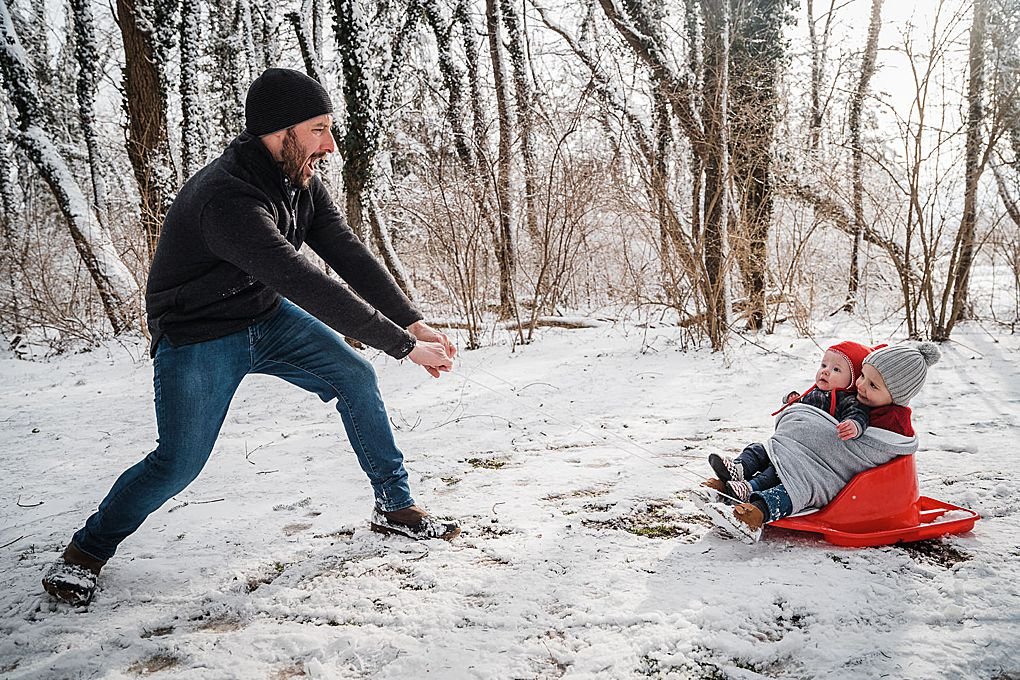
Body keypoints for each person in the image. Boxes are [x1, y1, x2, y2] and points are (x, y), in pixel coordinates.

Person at [42, 68, 460, 607]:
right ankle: (84, 554)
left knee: (356, 377)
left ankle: (396, 508)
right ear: (278, 130)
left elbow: (344, 250)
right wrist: (403, 347)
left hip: (266, 318)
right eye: (318, 129)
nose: (330, 144)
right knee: (178, 462)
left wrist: (411, 321)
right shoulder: (227, 198)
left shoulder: (299, 178)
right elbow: (302, 279)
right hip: (199, 338)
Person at [721, 342, 941, 536]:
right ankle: (738, 481)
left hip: (836, 480)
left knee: (801, 484)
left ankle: (757, 511)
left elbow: (862, 447)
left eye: (873, 385)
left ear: (898, 396)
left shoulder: (892, 422)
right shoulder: (861, 397)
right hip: (804, 456)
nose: (861, 386)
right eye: (862, 376)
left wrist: (851, 429)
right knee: (772, 456)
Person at [705, 340, 875, 503]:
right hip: (787, 442)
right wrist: (792, 401)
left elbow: (859, 415)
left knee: (778, 471)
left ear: (853, 381)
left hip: (804, 454)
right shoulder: (813, 392)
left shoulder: (847, 400)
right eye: (823, 366)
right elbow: (799, 411)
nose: (825, 371)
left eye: (836, 369)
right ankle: (739, 468)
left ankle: (749, 488)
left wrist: (854, 425)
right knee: (759, 449)